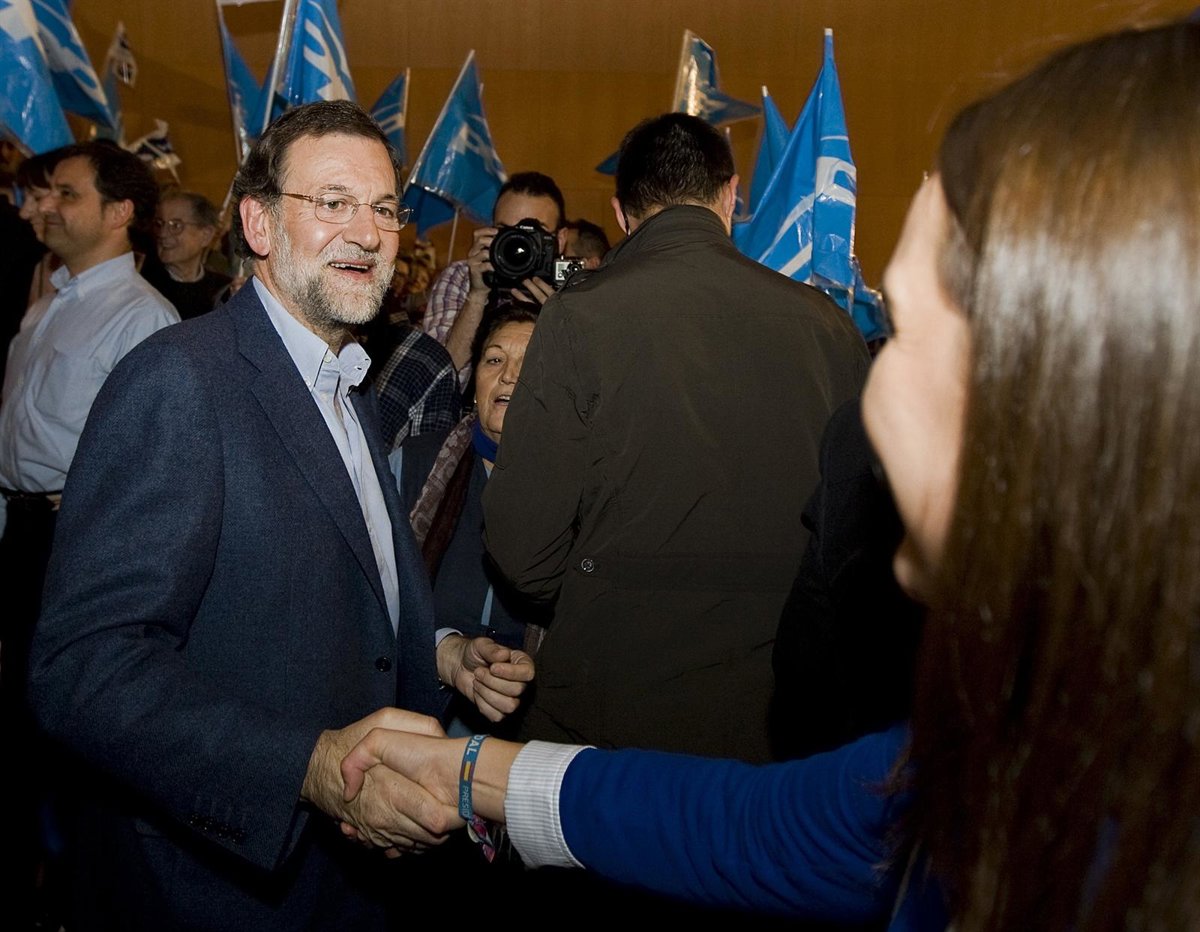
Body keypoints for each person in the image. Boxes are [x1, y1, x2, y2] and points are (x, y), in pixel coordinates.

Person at [338, 19, 1200, 930]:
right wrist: (467, 770)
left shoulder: (1068, 802)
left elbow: (526, 551)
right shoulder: (980, 765)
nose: (873, 406)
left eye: (909, 332)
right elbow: (750, 825)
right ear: (732, 198)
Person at [27, 101, 531, 931]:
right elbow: (85, 667)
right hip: (213, 885)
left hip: (339, 882)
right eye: (332, 202)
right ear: (258, 224)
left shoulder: (346, 384)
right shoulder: (181, 382)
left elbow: (320, 587)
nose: (366, 233)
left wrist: (440, 652)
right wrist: (310, 766)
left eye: (383, 208)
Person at [483, 112, 870, 763]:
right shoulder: (829, 328)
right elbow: (861, 548)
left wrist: (602, 589)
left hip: (611, 716)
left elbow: (524, 551)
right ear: (731, 196)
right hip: (785, 728)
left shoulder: (579, 317)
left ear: (621, 213)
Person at [0, 139, 180, 930]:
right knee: (19, 724)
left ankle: (75, 896)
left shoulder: (143, 318)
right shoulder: (51, 300)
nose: (42, 207)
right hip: (22, 533)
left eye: (64, 194)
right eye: (41, 194)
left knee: (67, 727)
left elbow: (146, 467)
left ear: (120, 213)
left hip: (76, 543)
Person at [394, 299, 551, 729]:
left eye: (530, 362)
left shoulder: (582, 492)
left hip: (533, 734)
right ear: (475, 381)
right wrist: (442, 649)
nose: (509, 375)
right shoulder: (413, 465)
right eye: (494, 359)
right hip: (418, 719)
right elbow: (367, 599)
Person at [421, 171, 565, 380]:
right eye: (507, 231)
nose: (519, 246)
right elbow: (440, 380)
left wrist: (558, 321)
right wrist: (477, 296)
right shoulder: (462, 277)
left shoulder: (574, 289)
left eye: (532, 233)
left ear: (560, 239)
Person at [140, 189, 233, 319]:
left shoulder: (223, 290)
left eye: (176, 226)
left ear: (206, 235)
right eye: (159, 224)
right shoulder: (143, 283)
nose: (163, 233)